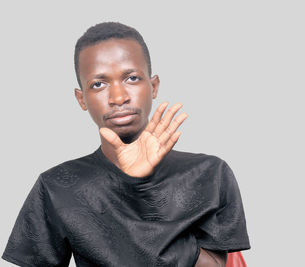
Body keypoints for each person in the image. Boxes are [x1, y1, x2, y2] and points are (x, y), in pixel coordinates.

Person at [2, 22, 250, 267]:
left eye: (132, 78)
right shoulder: (57, 186)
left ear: (153, 86)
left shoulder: (208, 174)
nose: (118, 97)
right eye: (98, 84)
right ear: (81, 99)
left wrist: (140, 189)